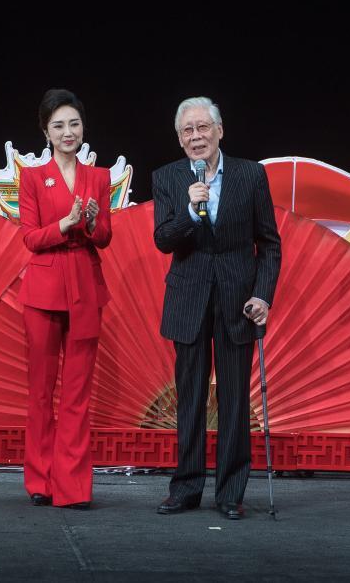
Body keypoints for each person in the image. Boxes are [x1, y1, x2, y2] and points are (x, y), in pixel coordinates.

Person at [152, 96, 281, 520]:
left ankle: (230, 492)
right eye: (187, 131)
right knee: (188, 399)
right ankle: (186, 488)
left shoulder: (250, 174)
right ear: (179, 138)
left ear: (219, 130)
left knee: (233, 401)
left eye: (202, 127)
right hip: (188, 300)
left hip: (237, 303)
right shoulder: (168, 178)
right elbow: (164, 239)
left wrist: (262, 295)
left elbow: (270, 245)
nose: (196, 137)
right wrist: (190, 209)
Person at [17, 88, 112, 509]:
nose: (67, 132)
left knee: (77, 392)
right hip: (44, 291)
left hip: (86, 288)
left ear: (83, 128)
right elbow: (30, 237)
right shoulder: (33, 178)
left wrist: (90, 223)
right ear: (46, 131)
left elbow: (105, 237)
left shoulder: (99, 177)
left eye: (74, 124)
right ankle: (40, 480)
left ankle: (73, 487)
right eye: (59, 125)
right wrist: (65, 224)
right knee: (41, 390)